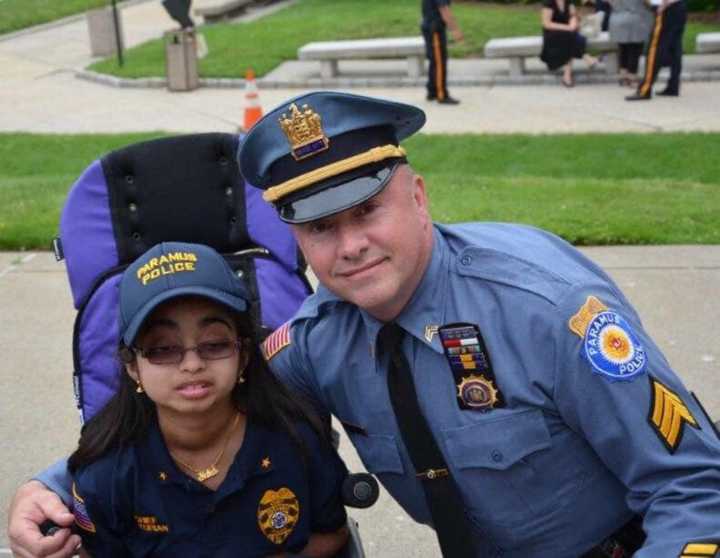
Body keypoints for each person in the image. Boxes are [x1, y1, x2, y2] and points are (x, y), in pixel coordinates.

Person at [8, 92, 720, 557]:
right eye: (319, 227)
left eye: (366, 210)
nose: (348, 246)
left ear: (417, 195)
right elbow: (200, 402)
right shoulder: (319, 342)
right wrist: (54, 483)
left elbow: (695, 492)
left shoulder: (546, 310)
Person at [26, 241, 349, 557]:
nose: (192, 364)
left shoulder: (298, 441)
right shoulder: (105, 474)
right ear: (132, 367)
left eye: (215, 343)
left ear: (245, 353)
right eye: (162, 348)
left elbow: (333, 534)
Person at [626, 0, 687, 100]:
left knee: (654, 49)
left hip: (668, 8)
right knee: (674, 47)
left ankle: (645, 89)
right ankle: (673, 86)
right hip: (679, 6)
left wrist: (664, 4)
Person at [540, 0, 599, 87]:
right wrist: (568, 27)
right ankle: (585, 56)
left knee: (573, 38)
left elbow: (573, 16)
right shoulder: (549, 3)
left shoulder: (568, 3)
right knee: (572, 38)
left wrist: (573, 21)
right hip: (552, 34)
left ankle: (567, 76)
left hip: (567, 33)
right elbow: (546, 24)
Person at [421, 0, 464, 104]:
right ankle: (442, 94)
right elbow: (444, 9)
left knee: (434, 61)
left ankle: (432, 91)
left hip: (429, 26)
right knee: (440, 63)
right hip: (435, 29)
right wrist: (455, 30)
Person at [608, 0, 654, 86]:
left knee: (623, 49)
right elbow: (649, 3)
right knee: (635, 50)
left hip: (617, 19)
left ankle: (623, 77)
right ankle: (632, 78)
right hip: (636, 19)